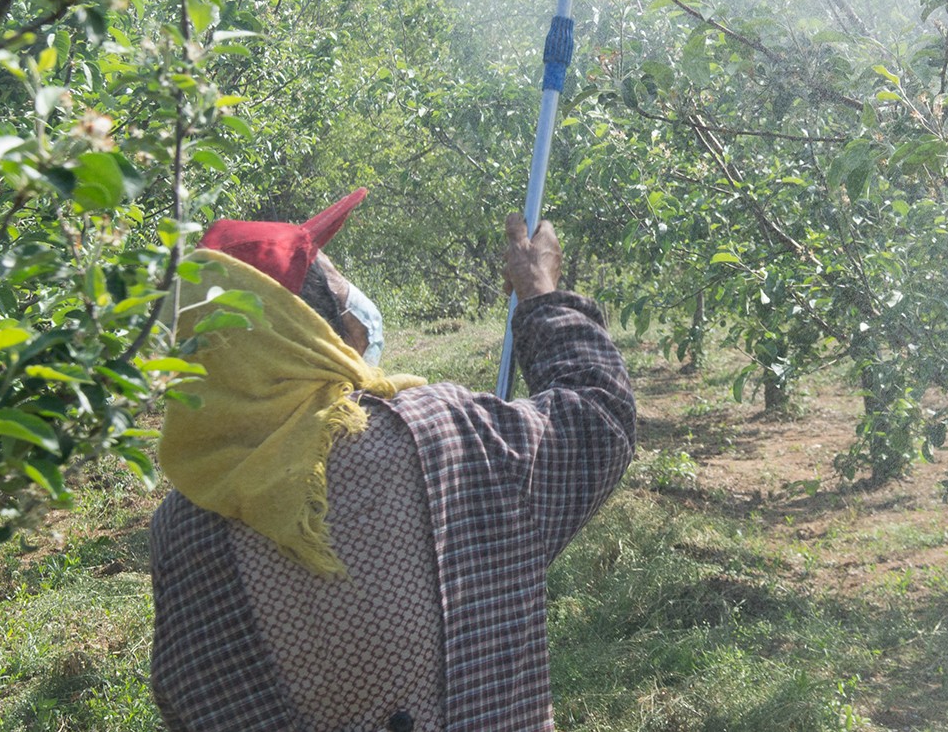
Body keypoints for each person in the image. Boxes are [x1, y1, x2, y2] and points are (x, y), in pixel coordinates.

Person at [148, 189, 635, 732]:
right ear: (312, 326)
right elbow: (599, 415)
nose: (354, 299)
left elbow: (186, 700)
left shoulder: (182, 527)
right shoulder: (441, 438)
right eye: (335, 281)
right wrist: (541, 291)